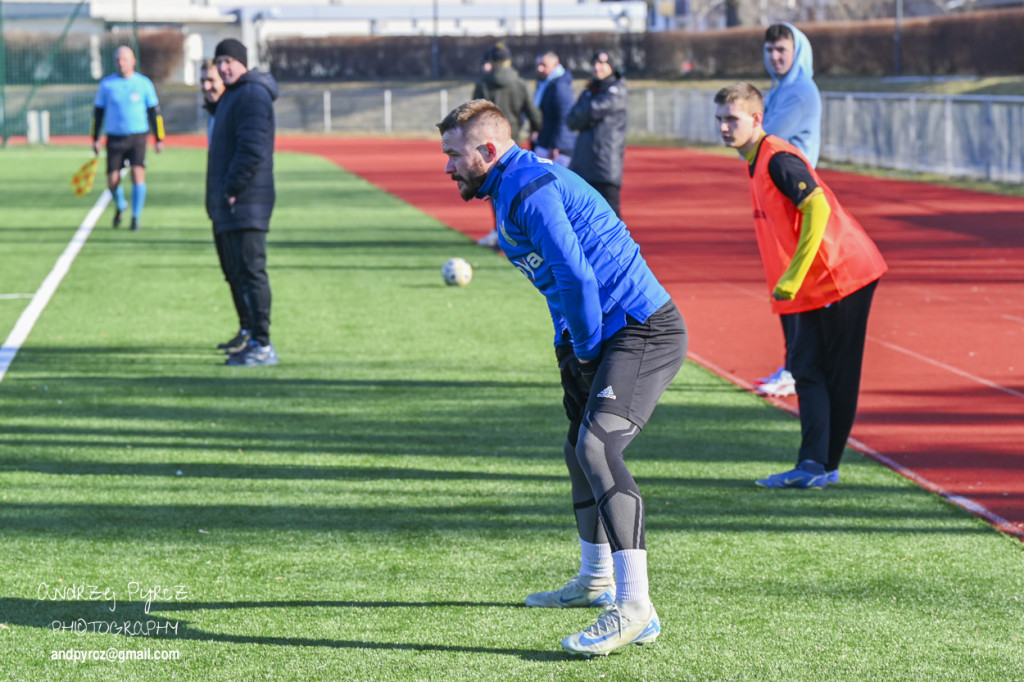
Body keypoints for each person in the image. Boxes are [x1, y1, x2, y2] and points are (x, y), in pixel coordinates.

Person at [438, 99, 687, 655]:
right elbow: (560, 282)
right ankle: (595, 579)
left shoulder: (528, 188)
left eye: (454, 155)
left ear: (487, 150)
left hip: (642, 327)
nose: (447, 167)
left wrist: (589, 350)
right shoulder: (508, 187)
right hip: (592, 332)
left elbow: (576, 277)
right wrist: (568, 347)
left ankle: (635, 608)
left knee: (598, 447)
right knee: (577, 447)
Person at [714, 82, 887, 488]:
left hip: (841, 275)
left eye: (732, 119)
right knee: (806, 368)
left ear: (756, 118)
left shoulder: (777, 157)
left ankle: (823, 466)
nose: (724, 127)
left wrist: (793, 275)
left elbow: (818, 206)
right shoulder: (754, 159)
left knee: (834, 372)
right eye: (720, 119)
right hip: (813, 283)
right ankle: (813, 465)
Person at [755, 22, 824, 398]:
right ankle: (797, 364)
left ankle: (798, 367)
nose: (775, 57)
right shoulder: (781, 88)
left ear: (798, 51)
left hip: (795, 202)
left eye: (782, 50)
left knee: (794, 286)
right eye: (769, 51)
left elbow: (763, 136)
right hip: (778, 200)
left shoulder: (799, 91)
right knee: (786, 286)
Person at [206, 38, 279, 367]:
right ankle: (249, 334)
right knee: (236, 272)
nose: (223, 67)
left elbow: (253, 148)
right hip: (229, 201)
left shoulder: (252, 93)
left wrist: (232, 188)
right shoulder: (233, 94)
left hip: (246, 201)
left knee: (251, 272)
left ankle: (263, 344)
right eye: (219, 61)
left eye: (229, 60)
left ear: (242, 61)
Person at [199, 59, 250, 357]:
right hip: (218, 205)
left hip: (237, 206)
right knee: (230, 272)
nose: (206, 87)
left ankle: (254, 334)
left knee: (244, 271)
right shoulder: (213, 114)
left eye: (212, 81)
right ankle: (245, 328)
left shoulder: (232, 112)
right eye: (203, 81)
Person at [472, 42, 542, 248]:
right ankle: (517, 234)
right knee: (514, 189)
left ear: (491, 62)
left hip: (487, 146)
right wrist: (536, 128)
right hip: (512, 143)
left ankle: (500, 233)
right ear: (509, 61)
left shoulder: (484, 83)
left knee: (494, 192)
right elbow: (533, 113)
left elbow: (473, 115)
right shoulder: (520, 83)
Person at [91, 45, 164, 231]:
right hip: (114, 137)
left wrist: (159, 137)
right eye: (118, 60)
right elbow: (98, 113)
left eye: (124, 59)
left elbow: (155, 112)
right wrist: (95, 137)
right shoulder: (107, 84)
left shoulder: (143, 84)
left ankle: (135, 218)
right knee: (112, 180)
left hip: (138, 136)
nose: (121, 63)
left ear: (133, 61)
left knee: (137, 174)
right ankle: (121, 205)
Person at [567, 50, 627, 218]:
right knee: (581, 215)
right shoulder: (590, 91)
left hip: (605, 165)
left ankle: (620, 246)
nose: (597, 67)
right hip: (583, 164)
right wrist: (586, 114)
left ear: (611, 67)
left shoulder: (617, 90)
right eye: (595, 63)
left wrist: (584, 114)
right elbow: (571, 120)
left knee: (611, 215)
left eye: (602, 64)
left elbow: (595, 110)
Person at [530, 51, 576, 168]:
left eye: (544, 65)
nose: (540, 68)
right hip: (545, 141)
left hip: (556, 149)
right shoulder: (545, 83)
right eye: (538, 65)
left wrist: (556, 146)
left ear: (556, 65)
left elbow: (564, 117)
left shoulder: (560, 86)